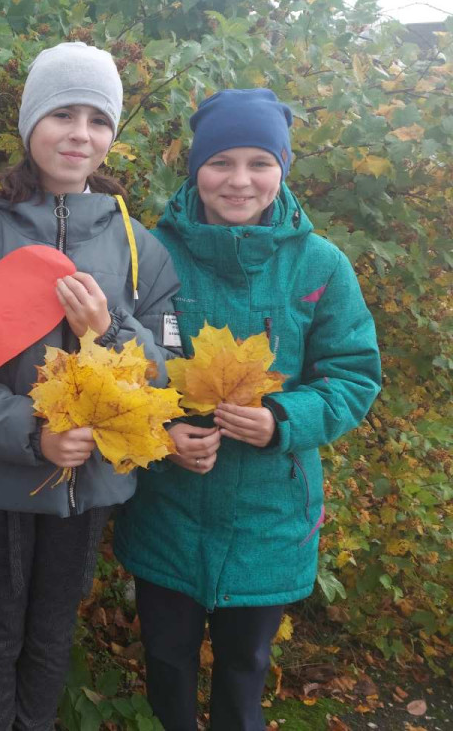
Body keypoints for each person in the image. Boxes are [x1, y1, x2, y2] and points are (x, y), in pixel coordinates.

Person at [0, 42, 182, 730]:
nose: (79, 134)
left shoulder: (140, 248)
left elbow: (164, 374)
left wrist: (108, 329)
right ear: (30, 123)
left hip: (90, 487)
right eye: (62, 114)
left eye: (98, 120)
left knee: (51, 633)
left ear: (112, 136)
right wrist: (33, 434)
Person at [113, 88, 382, 731]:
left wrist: (284, 421)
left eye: (260, 162)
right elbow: (113, 366)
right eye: (220, 162)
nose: (239, 180)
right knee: (166, 661)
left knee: (245, 666)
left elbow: (353, 376)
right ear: (194, 168)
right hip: (167, 509)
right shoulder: (148, 256)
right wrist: (162, 430)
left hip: (270, 513)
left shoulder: (320, 266)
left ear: (283, 167)